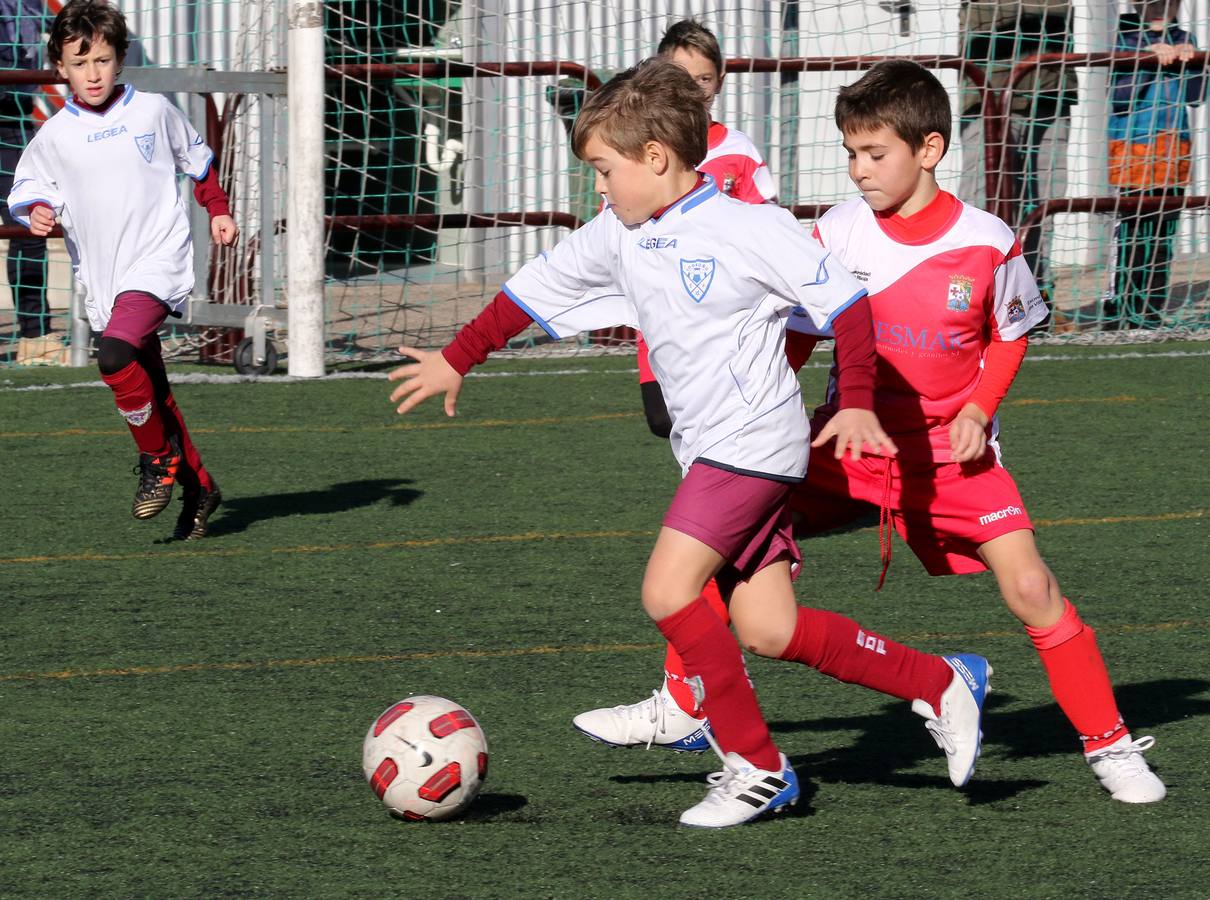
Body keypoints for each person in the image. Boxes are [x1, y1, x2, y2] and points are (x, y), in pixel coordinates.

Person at [579, 59, 1165, 805]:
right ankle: (684, 704)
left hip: (952, 460)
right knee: (716, 540)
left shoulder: (987, 241)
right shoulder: (835, 233)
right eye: (850, 153)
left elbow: (1011, 334)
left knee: (1031, 586)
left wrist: (979, 413)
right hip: (843, 451)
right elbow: (793, 338)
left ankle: (1110, 746)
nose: (858, 171)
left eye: (874, 154)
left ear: (928, 150)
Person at [388, 57, 924, 828]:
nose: (598, 188)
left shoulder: (747, 224)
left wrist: (861, 402)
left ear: (656, 158)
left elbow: (848, 305)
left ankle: (756, 763)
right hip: (710, 448)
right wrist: (456, 356)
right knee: (770, 627)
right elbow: (529, 293)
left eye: (604, 170)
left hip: (756, 441)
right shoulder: (621, 232)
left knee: (667, 590)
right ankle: (940, 681)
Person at [5, 0, 235, 539]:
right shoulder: (55, 135)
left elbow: (197, 161)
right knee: (150, 384)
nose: (93, 74)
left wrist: (218, 208)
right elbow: (26, 189)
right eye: (80, 63)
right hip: (105, 276)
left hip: (158, 259)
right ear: (60, 67)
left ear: (120, 59)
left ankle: (156, 460)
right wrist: (34, 211)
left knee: (112, 356)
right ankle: (200, 486)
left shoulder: (152, 110)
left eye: (103, 61)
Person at [958, 1, 1078, 295]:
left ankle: (1034, 296)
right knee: (979, 204)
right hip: (988, 92)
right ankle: (963, 298)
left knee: (1043, 206)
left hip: (1051, 89)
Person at [1106, 0, 1206, 329]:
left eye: (1168, 2)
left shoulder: (1184, 36)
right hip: (1133, 149)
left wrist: (1191, 62)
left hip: (1173, 149)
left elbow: (1197, 95)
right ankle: (1120, 307)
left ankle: (1150, 308)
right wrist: (1149, 58)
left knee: (1164, 235)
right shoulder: (1124, 36)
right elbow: (1120, 96)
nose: (1160, 8)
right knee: (1132, 233)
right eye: (1151, 3)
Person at [1, 0, 58, 365]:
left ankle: (35, 333)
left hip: (15, 114)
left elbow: (57, 25)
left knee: (27, 221)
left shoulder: (31, 4)